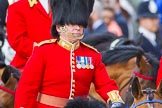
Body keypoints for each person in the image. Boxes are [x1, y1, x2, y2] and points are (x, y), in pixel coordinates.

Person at [14, 0, 124, 108]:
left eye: (80, 24)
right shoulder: (43, 51)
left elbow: (105, 84)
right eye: (73, 24)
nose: (78, 28)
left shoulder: (92, 55)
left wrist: (115, 100)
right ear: (59, 27)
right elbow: (27, 88)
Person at [6, 0, 53, 70]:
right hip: (29, 66)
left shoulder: (63, 4)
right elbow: (17, 40)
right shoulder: (18, 7)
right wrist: (45, 54)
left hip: (61, 64)